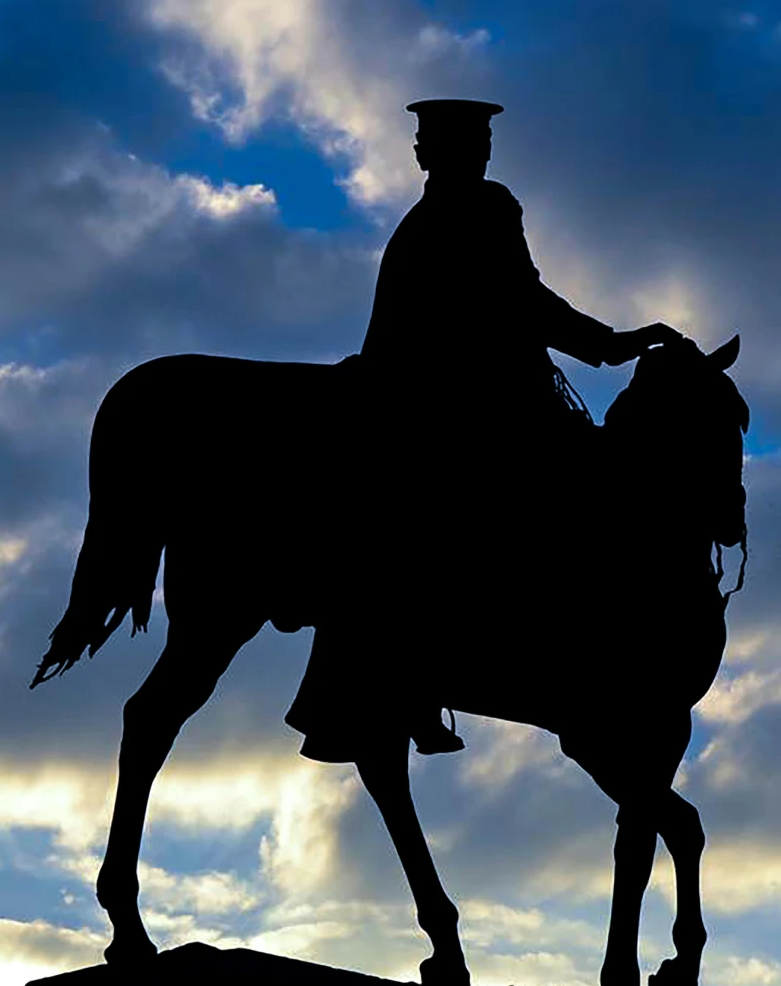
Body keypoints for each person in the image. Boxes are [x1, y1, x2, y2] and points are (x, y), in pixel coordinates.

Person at [285, 99, 678, 762]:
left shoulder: (424, 217)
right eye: (472, 138)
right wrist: (609, 345)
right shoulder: (486, 205)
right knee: (584, 490)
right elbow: (519, 298)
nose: (483, 149)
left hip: (428, 395)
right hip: (461, 401)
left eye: (482, 138)